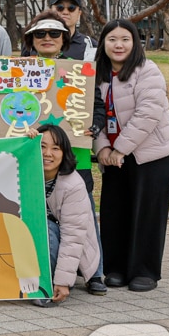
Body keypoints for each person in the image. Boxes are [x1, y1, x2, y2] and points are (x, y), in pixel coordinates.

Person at [20, 9, 108, 294]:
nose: (47, 38)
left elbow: (97, 108)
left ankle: (94, 272)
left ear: (65, 38)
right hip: (29, 157)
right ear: (31, 39)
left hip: (73, 155)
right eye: (41, 34)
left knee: (82, 214)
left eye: (55, 33)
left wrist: (94, 127)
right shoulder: (15, 69)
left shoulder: (80, 70)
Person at [94, 19, 169, 292]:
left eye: (125, 39)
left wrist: (120, 148)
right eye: (112, 39)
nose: (118, 45)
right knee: (114, 212)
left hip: (152, 156)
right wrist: (103, 149)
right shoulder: (95, 74)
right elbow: (90, 114)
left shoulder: (148, 71)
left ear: (135, 43)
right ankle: (116, 268)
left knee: (148, 214)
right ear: (103, 43)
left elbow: (149, 113)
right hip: (114, 157)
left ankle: (144, 271)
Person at [30, 124, 101, 307]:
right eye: (42, 146)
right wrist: (23, 142)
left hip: (64, 242)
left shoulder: (74, 185)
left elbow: (73, 236)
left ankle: (46, 284)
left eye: (55, 148)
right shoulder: (23, 171)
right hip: (37, 240)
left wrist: (62, 281)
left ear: (65, 153)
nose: (47, 153)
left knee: (44, 225)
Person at [24, 0, 96, 60]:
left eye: (71, 8)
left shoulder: (90, 45)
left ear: (79, 13)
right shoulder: (30, 45)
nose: (65, 12)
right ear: (50, 10)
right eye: (60, 8)